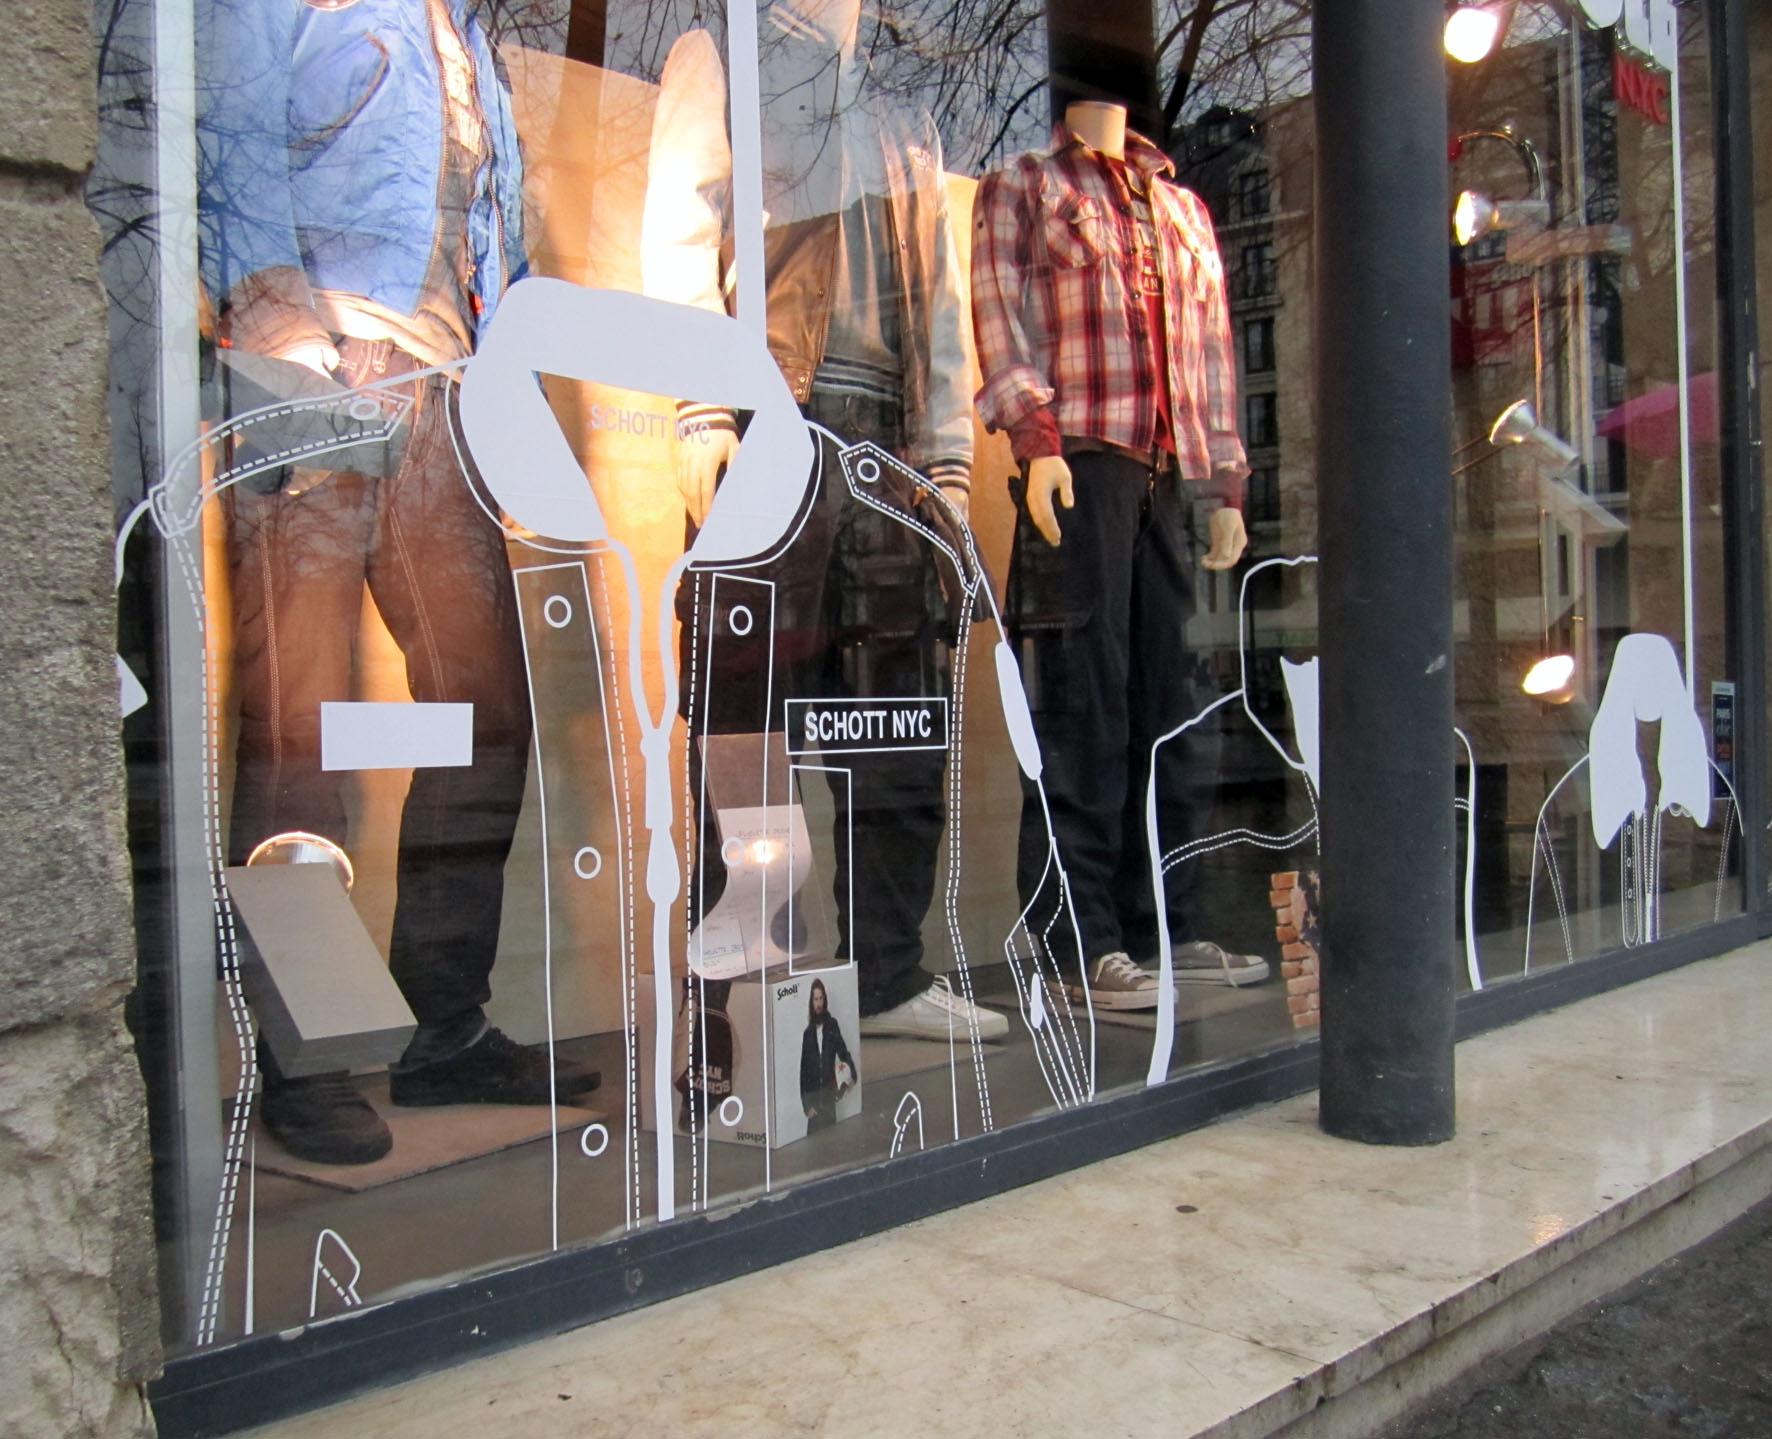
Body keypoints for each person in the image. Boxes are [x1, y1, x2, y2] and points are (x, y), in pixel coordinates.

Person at [196, 0, 598, 1166]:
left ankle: (442, 1026)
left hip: (443, 383)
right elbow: (227, 135)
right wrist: (280, 321)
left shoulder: (465, 35)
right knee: (301, 728)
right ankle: (306, 1054)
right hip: (312, 367)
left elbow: (496, 244)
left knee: (486, 714)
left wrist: (509, 400)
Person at [642, 3, 1008, 1042]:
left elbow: (941, 307)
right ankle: (743, 979)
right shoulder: (723, 52)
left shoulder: (903, 113)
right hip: (769, 418)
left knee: (896, 724)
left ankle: (886, 976)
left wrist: (945, 466)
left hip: (885, 450)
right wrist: (701, 402)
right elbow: (680, 223)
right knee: (749, 722)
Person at [972, 99, 1266, 1013]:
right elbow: (1001, 316)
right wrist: (1037, 438)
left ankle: (1162, 925)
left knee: (1168, 712)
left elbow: (1212, 353)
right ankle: (1077, 939)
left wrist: (1224, 484)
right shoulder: (1027, 183)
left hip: (1165, 475)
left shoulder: (1183, 211)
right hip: (1082, 464)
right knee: (1082, 708)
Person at [798, 978, 857, 1132]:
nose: (818, 1003)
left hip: (828, 1100)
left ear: (825, 1000)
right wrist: (807, 1106)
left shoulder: (832, 1025)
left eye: (821, 998)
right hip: (813, 1103)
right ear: (811, 1002)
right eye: (815, 999)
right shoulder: (807, 1033)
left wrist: (852, 1076)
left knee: (830, 1140)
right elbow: (803, 1072)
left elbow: (843, 1052)